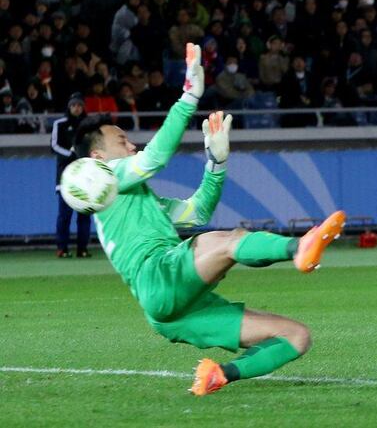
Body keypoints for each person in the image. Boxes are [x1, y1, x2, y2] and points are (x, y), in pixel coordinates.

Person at [73, 44, 346, 395]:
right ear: (97, 157)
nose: (131, 146)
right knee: (227, 240)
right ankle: (299, 246)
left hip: (172, 307)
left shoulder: (138, 198)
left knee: (296, 336)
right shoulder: (106, 177)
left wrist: (216, 164)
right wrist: (189, 96)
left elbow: (197, 211)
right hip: (159, 275)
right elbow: (154, 158)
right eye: (122, 140)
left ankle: (220, 375)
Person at [52, 92, 90, 258]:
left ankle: (82, 248)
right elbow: (54, 145)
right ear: (69, 107)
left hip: (85, 177)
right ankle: (62, 248)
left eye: (79, 105)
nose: (76, 108)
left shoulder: (88, 124)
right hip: (65, 177)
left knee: (84, 215)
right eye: (74, 105)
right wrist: (70, 155)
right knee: (65, 215)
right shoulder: (60, 124)